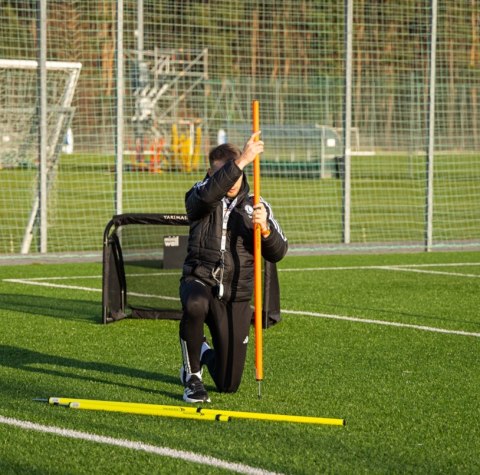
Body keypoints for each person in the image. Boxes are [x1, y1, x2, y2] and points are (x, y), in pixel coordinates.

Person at [179, 131, 288, 403]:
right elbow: (202, 202)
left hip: (236, 294)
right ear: (211, 172)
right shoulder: (200, 192)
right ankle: (192, 377)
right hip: (201, 280)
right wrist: (239, 163)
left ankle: (203, 351)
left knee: (228, 384)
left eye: (236, 173)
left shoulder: (257, 205)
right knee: (194, 304)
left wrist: (265, 231)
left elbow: (279, 252)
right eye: (224, 173)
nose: (230, 180)